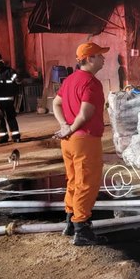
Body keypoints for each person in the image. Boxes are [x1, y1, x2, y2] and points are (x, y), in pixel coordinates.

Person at [52, 42, 109, 246]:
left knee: (74, 180)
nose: (104, 59)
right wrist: (70, 127)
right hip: (84, 139)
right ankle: (82, 228)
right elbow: (85, 113)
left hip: (69, 142)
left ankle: (70, 220)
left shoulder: (69, 80)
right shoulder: (91, 83)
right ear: (90, 58)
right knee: (87, 182)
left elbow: (55, 103)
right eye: (100, 55)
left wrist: (64, 125)